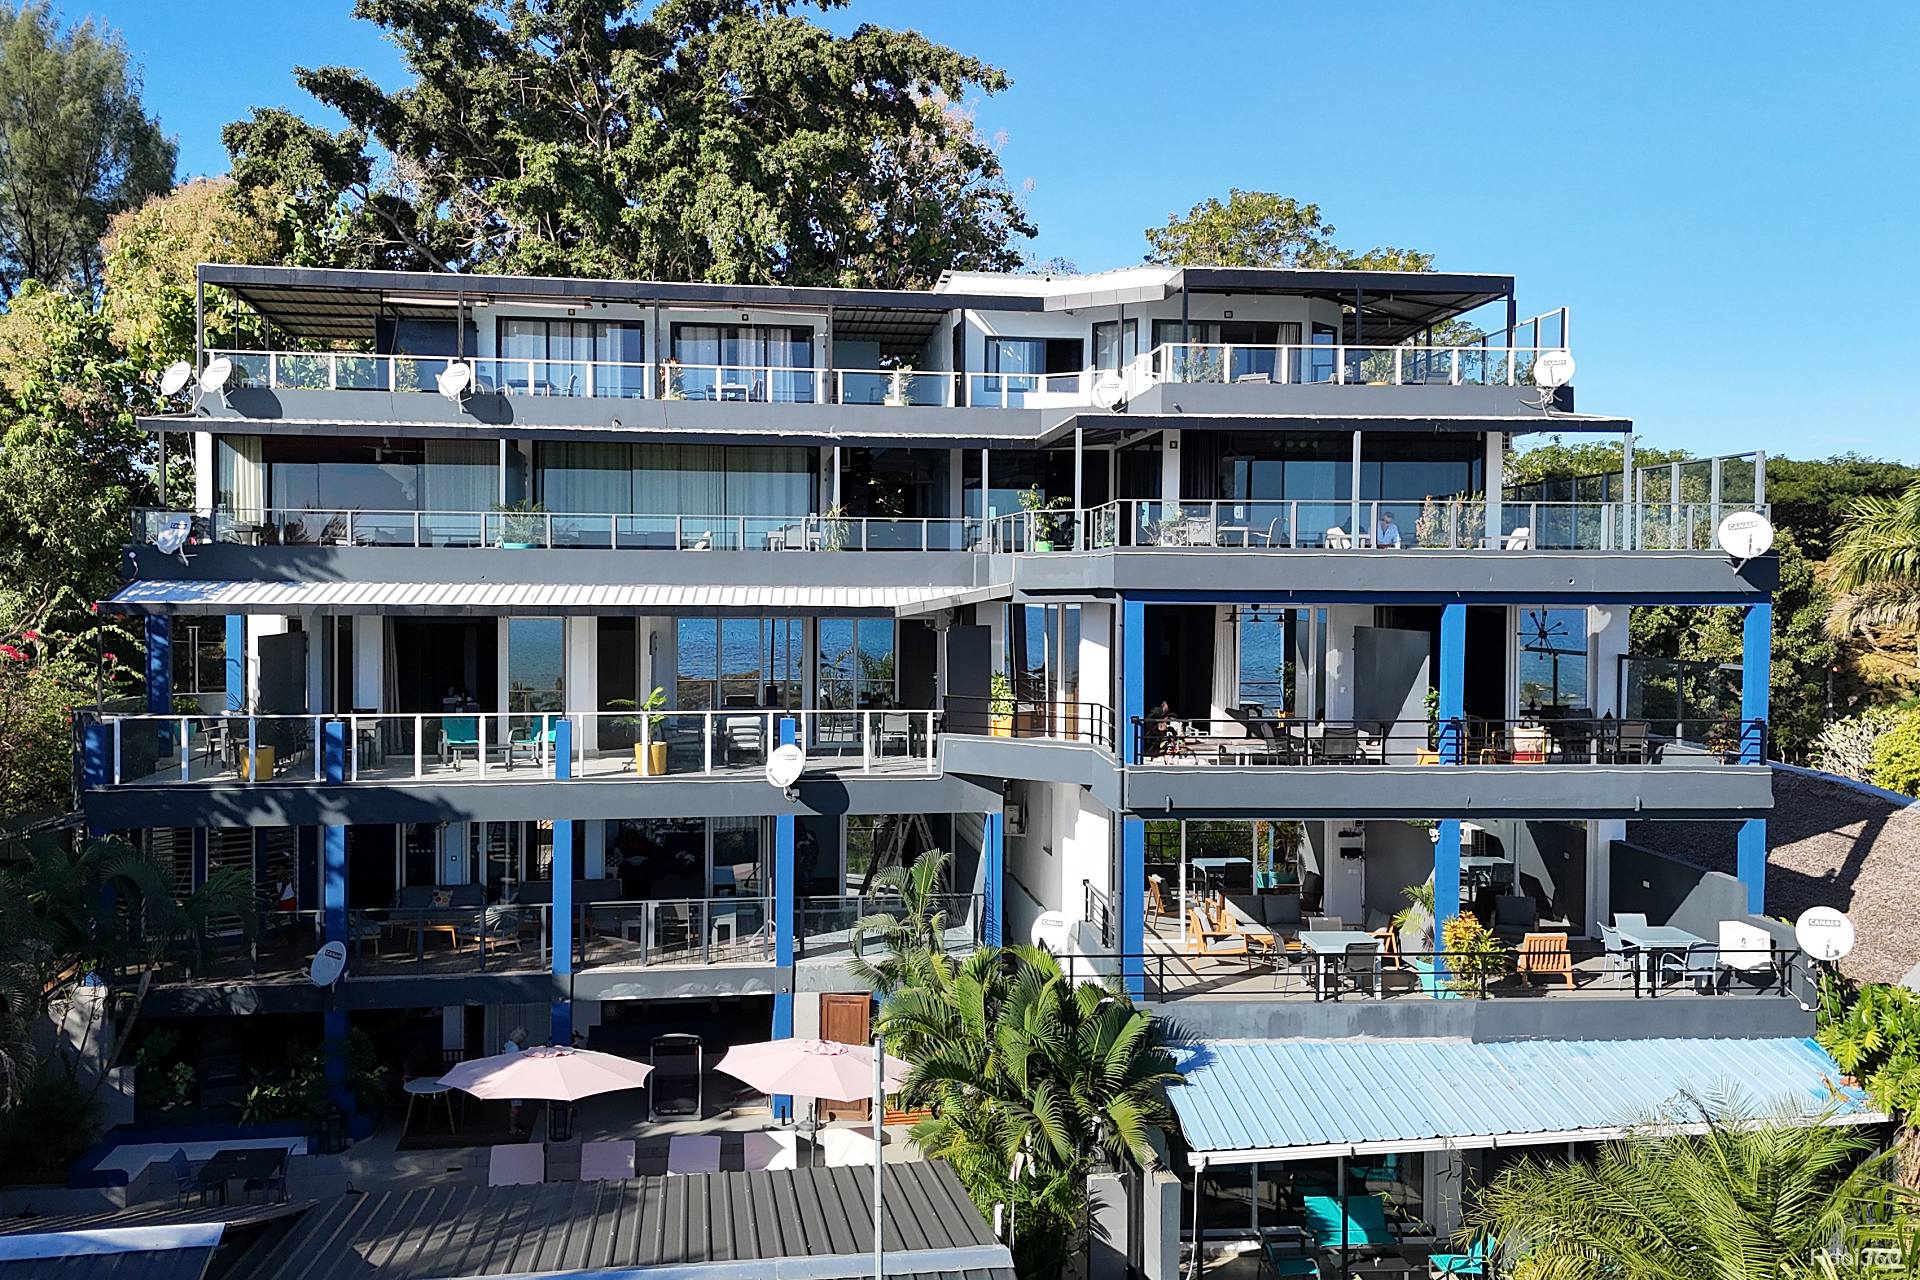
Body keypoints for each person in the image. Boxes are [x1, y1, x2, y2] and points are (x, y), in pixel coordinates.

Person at [502, 1027, 526, 1135]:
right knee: (515, 1104)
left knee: (515, 1104)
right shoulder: (514, 1048)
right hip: (515, 1078)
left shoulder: (507, 1045)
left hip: (509, 1077)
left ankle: (515, 1125)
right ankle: (513, 1128)